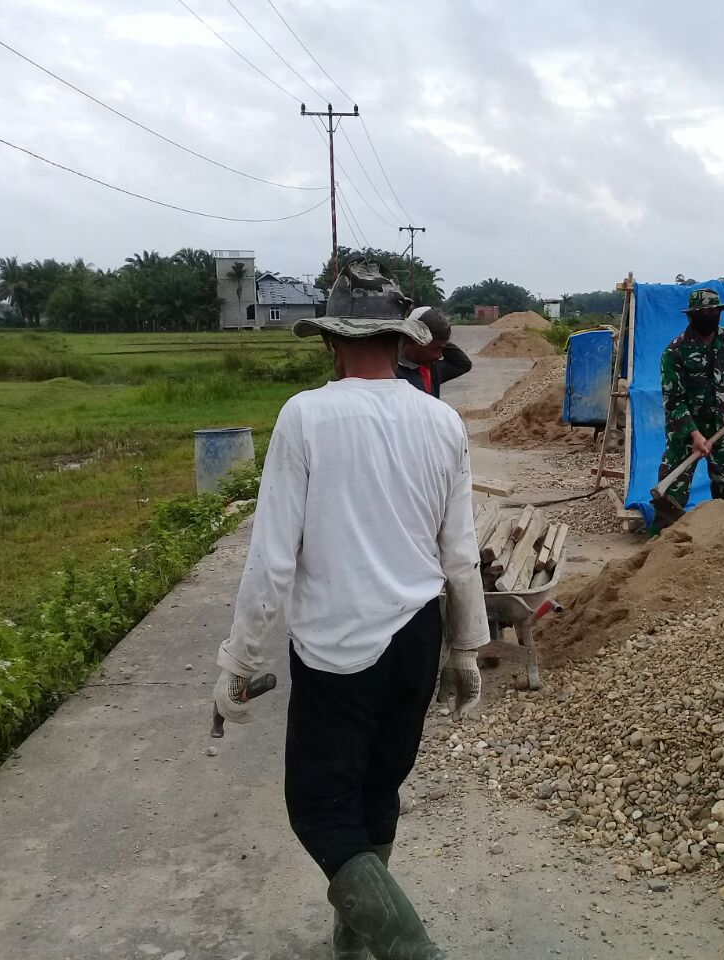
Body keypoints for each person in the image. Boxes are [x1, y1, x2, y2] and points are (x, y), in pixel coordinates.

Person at [213, 263, 487, 960]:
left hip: (339, 646)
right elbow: (460, 554)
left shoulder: (307, 414)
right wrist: (464, 651)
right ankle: (357, 934)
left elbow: (273, 558)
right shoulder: (441, 420)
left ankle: (409, 948)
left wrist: (238, 662)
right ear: (398, 342)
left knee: (319, 809)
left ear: (332, 343)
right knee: (376, 790)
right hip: (416, 639)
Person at [658, 287, 724, 511]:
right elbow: (673, 402)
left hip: (723, 427)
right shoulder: (674, 352)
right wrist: (694, 434)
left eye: (712, 313)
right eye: (701, 314)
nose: (707, 318)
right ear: (690, 316)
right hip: (685, 433)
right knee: (671, 494)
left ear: (720, 313)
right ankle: (663, 540)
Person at [397, 306, 472, 398]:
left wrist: (443, 339)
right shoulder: (393, 374)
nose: (439, 355)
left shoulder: (432, 369)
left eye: (442, 349)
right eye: (434, 349)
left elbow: (463, 364)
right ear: (413, 339)